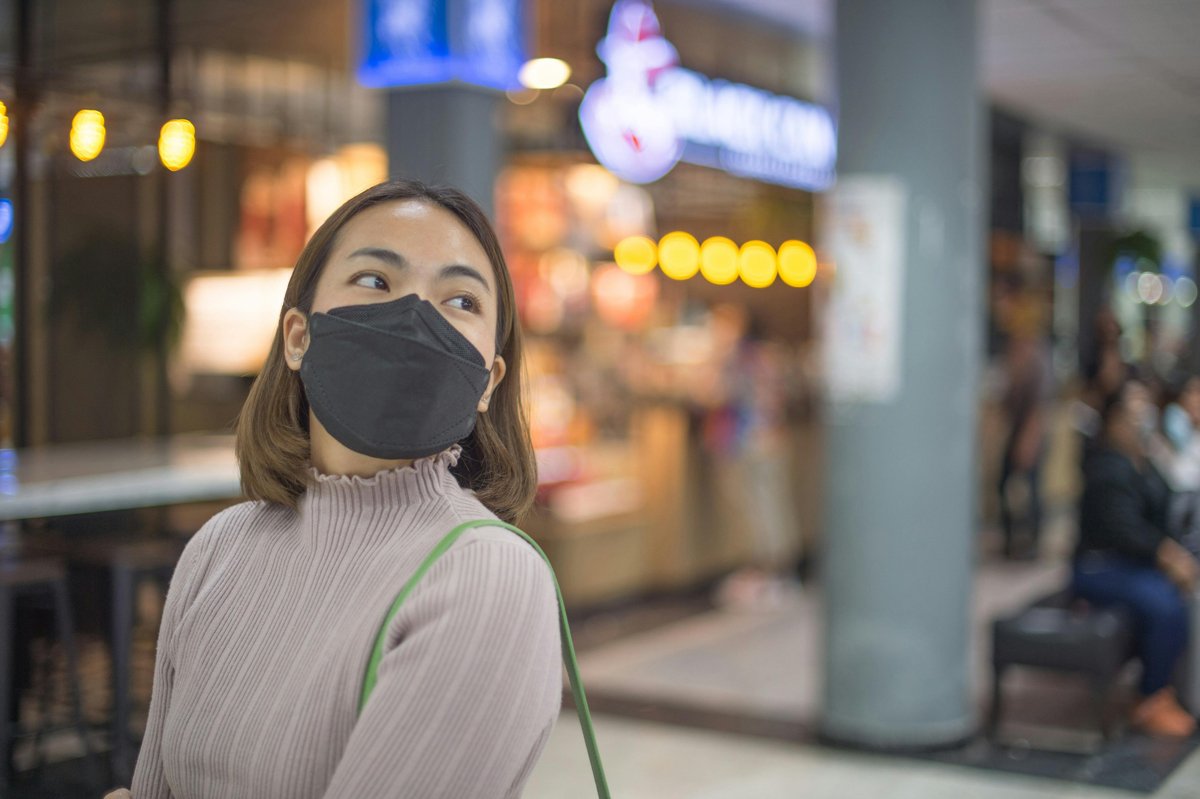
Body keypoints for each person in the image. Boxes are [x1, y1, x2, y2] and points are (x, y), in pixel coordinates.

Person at [116, 180, 562, 798]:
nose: (416, 318)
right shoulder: (221, 547)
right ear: (299, 336)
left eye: (461, 299)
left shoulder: (488, 575)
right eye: (376, 281)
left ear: (488, 381)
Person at [1073, 382, 1199, 737]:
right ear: (1114, 419)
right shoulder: (1107, 466)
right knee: (1165, 603)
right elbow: (1124, 530)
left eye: (1147, 408)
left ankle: (1163, 686)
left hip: (1130, 563)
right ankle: (1151, 697)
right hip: (1099, 567)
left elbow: (1170, 499)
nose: (1143, 417)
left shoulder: (1143, 460)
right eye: (1135, 410)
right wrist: (1168, 556)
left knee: (1173, 594)